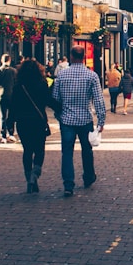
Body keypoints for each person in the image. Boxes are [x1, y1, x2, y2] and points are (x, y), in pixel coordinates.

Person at [51, 45, 106, 197]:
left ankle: (68, 185)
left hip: (67, 121)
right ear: (83, 58)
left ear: (71, 56)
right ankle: (88, 177)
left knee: (67, 153)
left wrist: (59, 115)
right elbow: (99, 100)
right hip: (85, 120)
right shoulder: (92, 76)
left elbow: (55, 99)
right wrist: (101, 121)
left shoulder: (62, 76)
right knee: (87, 150)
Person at [11, 58, 59, 193]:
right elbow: (48, 100)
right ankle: (35, 174)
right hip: (38, 121)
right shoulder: (41, 84)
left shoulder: (18, 86)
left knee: (27, 151)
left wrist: (9, 123)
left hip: (22, 122)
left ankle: (28, 178)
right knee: (39, 150)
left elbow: (13, 105)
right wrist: (60, 108)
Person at [0, 53, 17, 143]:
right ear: (9, 60)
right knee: (11, 115)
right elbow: (17, 84)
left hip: (0, 96)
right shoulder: (14, 71)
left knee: (3, 116)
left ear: (2, 60)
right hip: (12, 96)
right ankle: (11, 134)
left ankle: (3, 136)